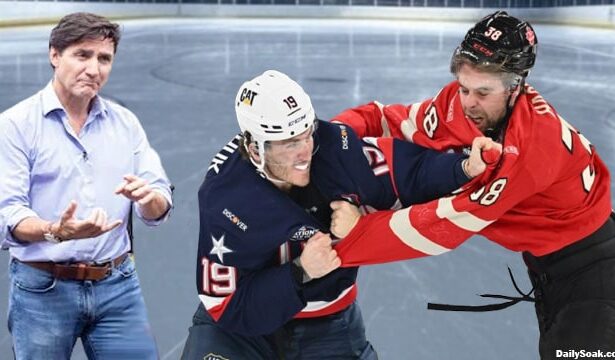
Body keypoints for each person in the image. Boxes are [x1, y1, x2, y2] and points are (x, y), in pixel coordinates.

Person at [329, 11, 614, 359]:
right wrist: (329, 138)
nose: (468, 102)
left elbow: (445, 225)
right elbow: (390, 121)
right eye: (464, 87)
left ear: (516, 87)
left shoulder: (529, 147)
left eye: (483, 92)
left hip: (596, 273)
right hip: (550, 266)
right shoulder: (459, 105)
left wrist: (353, 237)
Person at [180, 70, 496, 360]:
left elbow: (407, 171)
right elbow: (227, 306)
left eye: (307, 134)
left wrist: (464, 167)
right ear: (255, 149)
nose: (305, 150)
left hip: (329, 324)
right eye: (290, 143)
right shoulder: (226, 197)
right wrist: (301, 271)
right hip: (242, 332)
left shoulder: (334, 150)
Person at [0, 12, 173, 359]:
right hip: (42, 289)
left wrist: (149, 199)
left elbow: (160, 200)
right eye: (83, 55)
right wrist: (55, 231)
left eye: (104, 58)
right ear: (54, 55)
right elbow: (7, 214)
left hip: (117, 285)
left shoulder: (125, 123)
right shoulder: (15, 125)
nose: (94, 69)